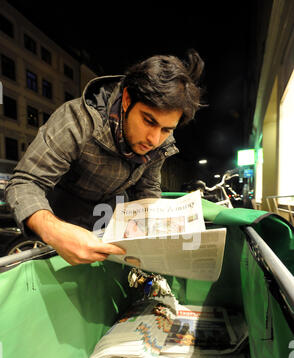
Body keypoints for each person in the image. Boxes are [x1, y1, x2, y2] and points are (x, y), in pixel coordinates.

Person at [5, 49, 204, 266]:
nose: (154, 139)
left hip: (109, 219)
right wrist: (54, 231)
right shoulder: (76, 122)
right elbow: (25, 183)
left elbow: (146, 189)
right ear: (127, 99)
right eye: (148, 121)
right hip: (59, 220)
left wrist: (146, 222)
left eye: (166, 129)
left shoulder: (161, 140)